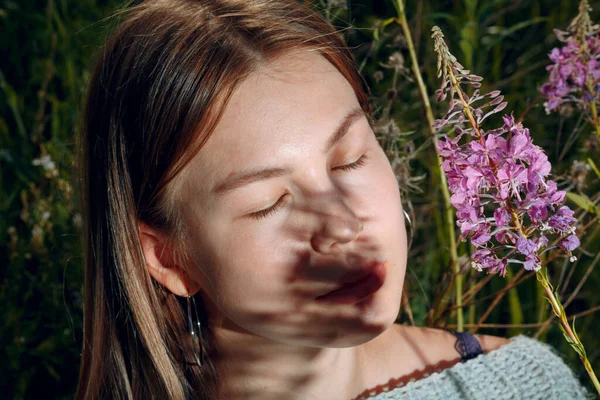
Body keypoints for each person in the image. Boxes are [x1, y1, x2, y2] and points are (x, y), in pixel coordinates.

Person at [75, 0, 590, 399]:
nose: (344, 223)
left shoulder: (523, 385)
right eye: (269, 202)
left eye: (349, 161)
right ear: (167, 257)